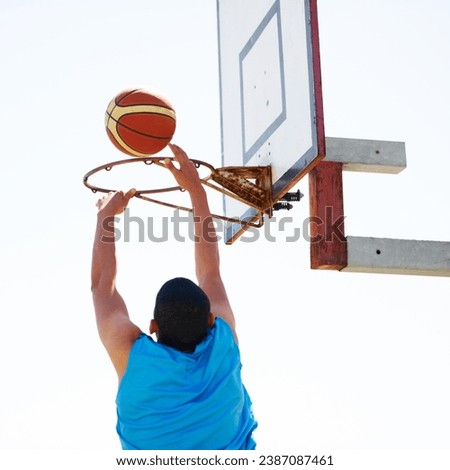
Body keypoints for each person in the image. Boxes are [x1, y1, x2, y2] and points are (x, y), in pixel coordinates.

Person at [91, 144, 257, 450]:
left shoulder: (133, 357)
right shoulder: (223, 343)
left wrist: (106, 216)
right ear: (210, 319)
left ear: (153, 326)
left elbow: (102, 286)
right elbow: (210, 273)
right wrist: (195, 189)